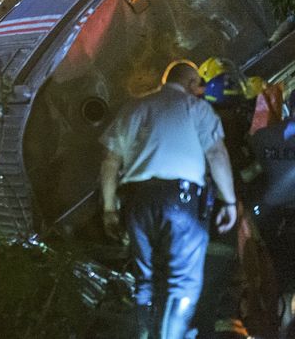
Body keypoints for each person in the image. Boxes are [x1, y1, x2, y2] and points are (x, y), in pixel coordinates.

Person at [99, 61, 238, 339]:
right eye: (198, 84)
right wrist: (229, 202)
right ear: (189, 83)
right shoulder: (196, 109)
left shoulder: (132, 108)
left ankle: (145, 334)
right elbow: (216, 155)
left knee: (145, 282)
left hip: (138, 203)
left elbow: (110, 162)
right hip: (181, 203)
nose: (200, 91)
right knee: (182, 283)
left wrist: (109, 208)